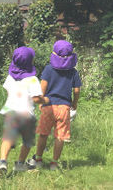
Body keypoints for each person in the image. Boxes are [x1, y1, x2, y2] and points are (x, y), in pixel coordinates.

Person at [27, 40, 81, 170]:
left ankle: (38, 159)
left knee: (43, 134)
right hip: (64, 108)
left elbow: (43, 87)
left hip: (48, 107)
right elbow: (77, 90)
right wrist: (74, 102)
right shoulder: (73, 72)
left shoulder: (48, 69)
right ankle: (54, 163)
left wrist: (41, 102)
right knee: (60, 136)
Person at [0, 46, 48, 175]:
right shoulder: (32, 80)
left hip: (11, 112)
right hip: (26, 115)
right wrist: (44, 100)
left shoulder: (10, 77)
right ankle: (20, 164)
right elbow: (36, 99)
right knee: (27, 141)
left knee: (7, 138)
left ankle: (3, 161)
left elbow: (8, 90)